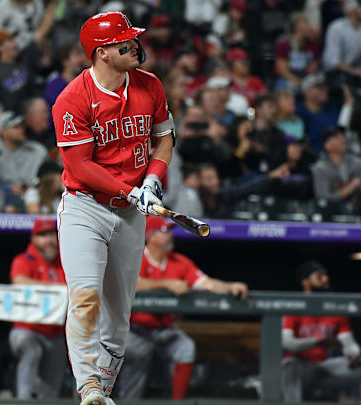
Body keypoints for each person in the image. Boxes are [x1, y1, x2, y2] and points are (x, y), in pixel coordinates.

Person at [52, 12, 175, 405]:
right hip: (85, 208)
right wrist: (129, 189)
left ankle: (100, 392)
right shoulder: (72, 98)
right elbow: (79, 166)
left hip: (130, 211)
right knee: (85, 298)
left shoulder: (150, 84)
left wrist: (153, 178)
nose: (135, 46)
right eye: (125, 42)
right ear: (103, 53)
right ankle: (87, 386)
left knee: (118, 322)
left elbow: (164, 137)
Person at [118, 216, 248, 399]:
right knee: (135, 361)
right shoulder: (135, 255)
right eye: (165, 231)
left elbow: (204, 282)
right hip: (135, 329)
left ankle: (177, 402)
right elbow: (129, 282)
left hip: (166, 328)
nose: (170, 235)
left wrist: (229, 286)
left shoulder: (179, 261)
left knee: (186, 348)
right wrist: (166, 284)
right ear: (151, 236)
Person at [282, 261, 361, 402]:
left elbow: (348, 342)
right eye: (319, 276)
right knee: (289, 364)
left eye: (326, 275)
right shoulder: (294, 307)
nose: (326, 279)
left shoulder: (335, 309)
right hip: (299, 370)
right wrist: (319, 342)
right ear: (306, 283)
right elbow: (287, 343)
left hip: (323, 369)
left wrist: (353, 353)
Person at [9, 217, 68, 399]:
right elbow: (19, 282)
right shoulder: (24, 259)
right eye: (43, 235)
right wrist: (58, 288)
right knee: (31, 349)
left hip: (56, 331)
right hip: (27, 329)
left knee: (53, 380)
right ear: (33, 239)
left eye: (52, 234)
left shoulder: (64, 260)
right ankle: (24, 400)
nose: (49, 239)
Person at [311, 128, 361, 212]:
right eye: (336, 137)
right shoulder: (320, 168)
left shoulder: (359, 164)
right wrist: (349, 188)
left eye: (342, 136)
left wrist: (359, 190)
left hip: (359, 210)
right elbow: (323, 197)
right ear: (327, 145)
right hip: (330, 213)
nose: (342, 139)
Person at [0, 111, 47, 192]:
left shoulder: (37, 151)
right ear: (3, 132)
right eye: (16, 127)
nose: (21, 130)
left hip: (33, 195)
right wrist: (7, 187)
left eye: (22, 126)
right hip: (1, 197)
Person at [322, 0, 361, 79]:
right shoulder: (336, 28)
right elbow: (333, 61)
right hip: (334, 72)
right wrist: (353, 71)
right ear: (352, 10)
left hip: (357, 72)